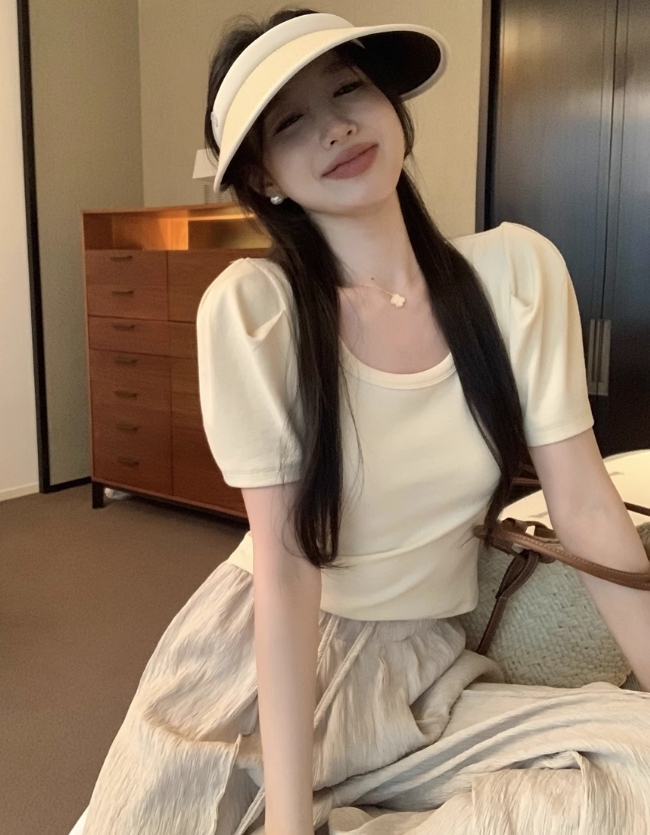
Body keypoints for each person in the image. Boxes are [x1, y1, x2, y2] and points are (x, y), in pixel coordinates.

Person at [80, 8, 650, 835]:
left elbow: (587, 503)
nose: (335, 126)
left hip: (420, 670)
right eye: (291, 122)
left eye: (349, 88)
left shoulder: (517, 273)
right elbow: (285, 571)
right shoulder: (256, 313)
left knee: (634, 762)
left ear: (392, 106)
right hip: (257, 676)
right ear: (265, 175)